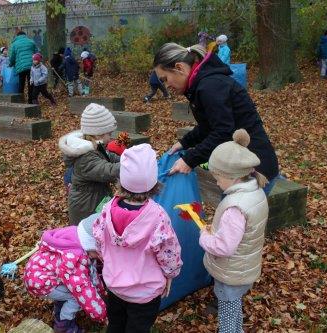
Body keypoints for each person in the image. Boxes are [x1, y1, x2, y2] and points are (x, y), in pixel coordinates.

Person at [153, 42, 280, 194]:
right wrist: (184, 142)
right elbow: (208, 125)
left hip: (253, 169)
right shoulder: (202, 84)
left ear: (179, 68)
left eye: (165, 79)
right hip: (239, 168)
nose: (166, 86)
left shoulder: (209, 86)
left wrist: (190, 160)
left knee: (233, 216)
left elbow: (223, 132)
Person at [93, 143, 183, 333]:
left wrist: (110, 261)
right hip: (145, 292)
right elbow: (169, 251)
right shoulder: (157, 216)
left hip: (115, 285)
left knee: (116, 325)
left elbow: (99, 240)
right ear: (153, 182)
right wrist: (170, 274)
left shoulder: (108, 209)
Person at [199, 129, 268, 333]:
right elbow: (242, 232)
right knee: (234, 305)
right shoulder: (255, 191)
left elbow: (224, 247)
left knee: (227, 315)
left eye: (218, 177)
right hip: (244, 267)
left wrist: (205, 236)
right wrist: (219, 229)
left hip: (230, 271)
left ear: (233, 176)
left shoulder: (235, 207)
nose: (216, 181)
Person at [24, 214, 106, 332]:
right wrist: (101, 313)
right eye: (98, 252)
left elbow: (92, 274)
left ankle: (61, 306)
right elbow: (81, 289)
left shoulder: (74, 239)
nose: (99, 256)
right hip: (42, 282)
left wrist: (101, 293)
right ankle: (64, 325)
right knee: (75, 298)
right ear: (91, 245)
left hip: (39, 273)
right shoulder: (74, 258)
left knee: (70, 293)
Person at [58, 103, 119, 225]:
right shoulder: (85, 157)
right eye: (109, 134)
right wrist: (132, 164)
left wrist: (128, 156)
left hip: (95, 199)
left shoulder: (96, 147)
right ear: (98, 134)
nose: (111, 138)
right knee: (86, 238)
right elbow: (106, 170)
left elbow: (109, 157)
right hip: (85, 206)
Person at [9, 31, 38, 102]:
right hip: (31, 66)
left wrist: (11, 64)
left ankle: (21, 101)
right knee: (31, 83)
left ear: (17, 36)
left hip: (21, 67)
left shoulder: (14, 44)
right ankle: (31, 101)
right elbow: (37, 54)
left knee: (21, 84)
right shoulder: (31, 42)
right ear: (25, 35)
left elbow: (12, 56)